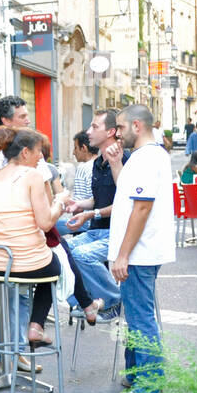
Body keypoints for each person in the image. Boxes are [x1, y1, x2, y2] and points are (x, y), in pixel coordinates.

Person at [0, 128, 103, 347]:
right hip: (26, 263)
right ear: (25, 152)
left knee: (57, 251)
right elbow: (46, 222)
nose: (41, 156)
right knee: (57, 264)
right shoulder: (32, 176)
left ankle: (49, 321)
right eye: (39, 151)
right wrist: (60, 200)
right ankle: (36, 326)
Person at [107, 104, 177, 393]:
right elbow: (130, 194)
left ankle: (149, 390)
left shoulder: (147, 157)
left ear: (137, 125)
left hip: (140, 252)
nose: (117, 134)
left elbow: (142, 207)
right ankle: (139, 377)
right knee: (138, 316)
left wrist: (123, 255)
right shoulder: (146, 157)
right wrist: (114, 163)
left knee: (140, 318)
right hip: (142, 250)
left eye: (120, 128)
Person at [60, 109, 128, 319]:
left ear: (111, 132)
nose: (88, 131)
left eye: (94, 127)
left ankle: (113, 301)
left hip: (116, 234)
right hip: (96, 231)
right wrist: (78, 205)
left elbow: (124, 203)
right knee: (61, 251)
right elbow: (98, 200)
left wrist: (90, 215)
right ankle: (85, 300)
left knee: (81, 255)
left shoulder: (123, 160)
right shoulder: (98, 163)